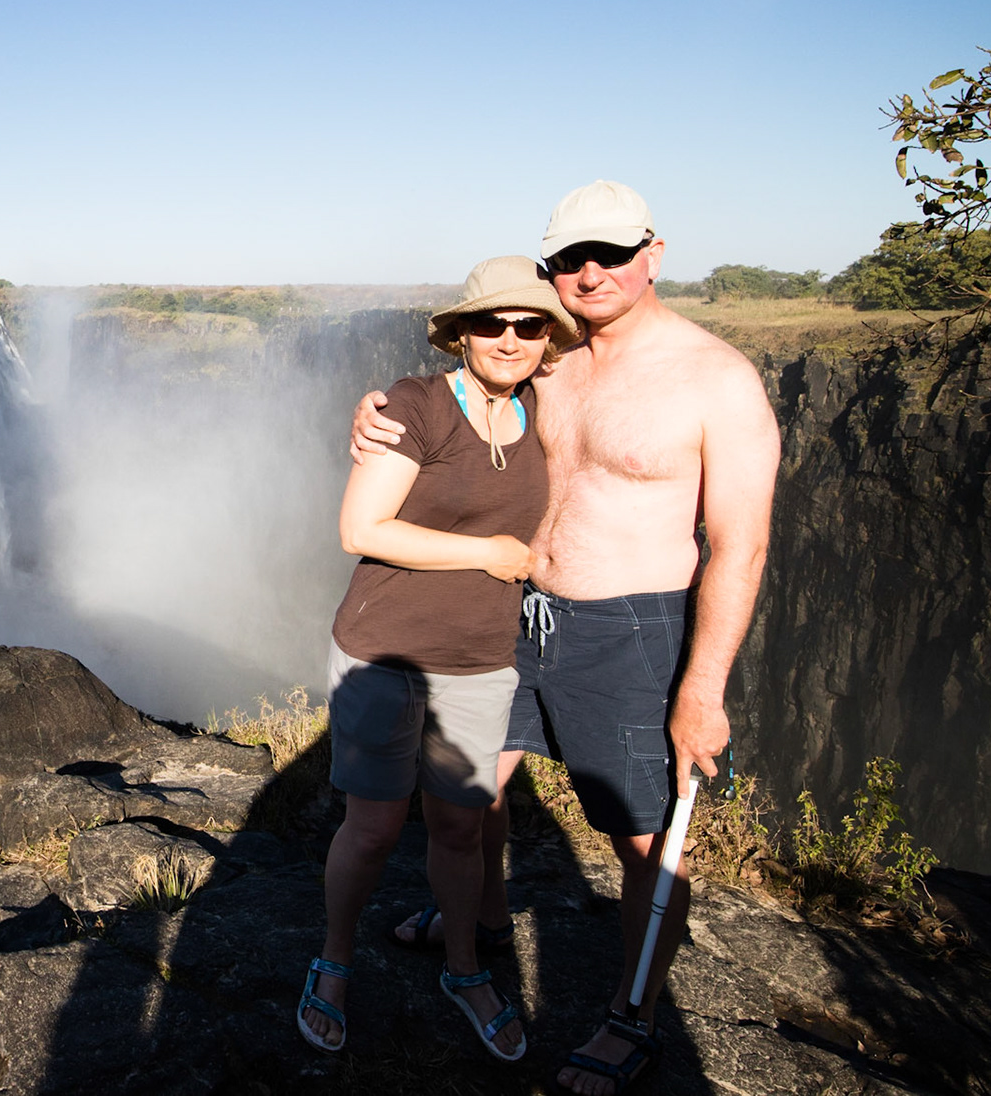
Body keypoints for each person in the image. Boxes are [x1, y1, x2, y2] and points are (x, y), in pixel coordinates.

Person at [350, 181, 781, 1094]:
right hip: (514, 613)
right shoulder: (549, 360)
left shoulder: (716, 380)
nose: (590, 274)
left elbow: (741, 548)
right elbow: (456, 404)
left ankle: (634, 1015)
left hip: (628, 630)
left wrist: (702, 691)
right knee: (474, 793)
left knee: (641, 838)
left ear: (652, 255)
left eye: (611, 255)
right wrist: (374, 410)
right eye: (569, 260)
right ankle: (481, 918)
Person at [298, 255, 577, 1063]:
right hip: (385, 649)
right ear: (461, 333)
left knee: (461, 826)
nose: (509, 339)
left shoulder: (547, 410)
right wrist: (490, 552)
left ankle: (463, 969)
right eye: (491, 323)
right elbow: (360, 529)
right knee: (374, 827)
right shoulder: (415, 405)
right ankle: (333, 961)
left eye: (529, 325)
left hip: (482, 656)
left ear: (549, 338)